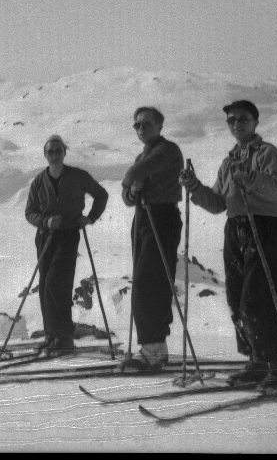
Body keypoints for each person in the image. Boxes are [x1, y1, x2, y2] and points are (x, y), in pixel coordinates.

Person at [179, 100, 277, 392]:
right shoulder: (229, 161)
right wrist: (194, 188)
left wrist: (252, 179)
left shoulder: (268, 154)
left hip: (262, 226)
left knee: (258, 298)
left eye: (242, 119)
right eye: (231, 120)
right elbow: (218, 202)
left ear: (255, 123)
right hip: (236, 228)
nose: (236, 124)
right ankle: (256, 362)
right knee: (236, 297)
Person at [24, 135, 109, 356]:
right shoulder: (39, 182)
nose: (54, 155)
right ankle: (52, 335)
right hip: (45, 237)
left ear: (64, 153)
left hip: (68, 234)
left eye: (58, 151)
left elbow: (101, 195)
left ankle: (64, 336)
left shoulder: (78, 176)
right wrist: (45, 221)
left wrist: (90, 217)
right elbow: (29, 212)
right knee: (45, 286)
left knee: (55, 283)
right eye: (50, 151)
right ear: (45, 154)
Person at [119, 107, 185, 372]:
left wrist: (132, 182)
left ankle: (151, 349)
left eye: (147, 124)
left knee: (149, 281)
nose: (141, 129)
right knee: (149, 280)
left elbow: (132, 175)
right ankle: (157, 347)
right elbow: (127, 196)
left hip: (161, 216)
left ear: (159, 126)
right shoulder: (144, 154)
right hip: (145, 217)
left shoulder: (167, 151)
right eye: (137, 125)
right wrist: (132, 190)